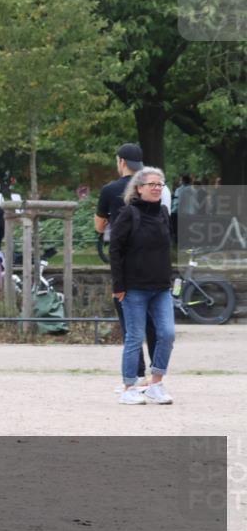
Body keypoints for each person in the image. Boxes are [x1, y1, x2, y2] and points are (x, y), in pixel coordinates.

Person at [110, 167, 175, 405]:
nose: (157, 187)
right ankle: (129, 386)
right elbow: (115, 250)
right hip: (134, 287)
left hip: (161, 287)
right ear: (139, 188)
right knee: (135, 337)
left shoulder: (164, 213)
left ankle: (156, 383)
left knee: (167, 334)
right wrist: (118, 285)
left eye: (160, 184)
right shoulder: (129, 214)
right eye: (152, 184)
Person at [95, 143, 156, 385]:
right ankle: (156, 374)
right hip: (152, 259)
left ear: (121, 161)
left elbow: (99, 226)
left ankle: (137, 374)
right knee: (153, 320)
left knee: (130, 323)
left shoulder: (110, 190)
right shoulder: (153, 187)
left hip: (124, 262)